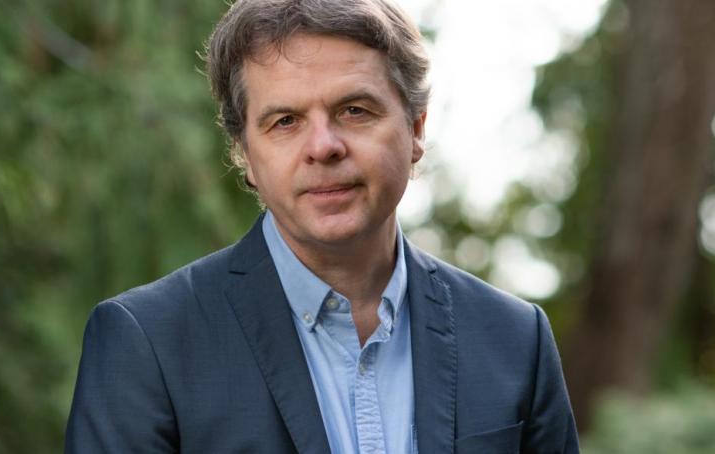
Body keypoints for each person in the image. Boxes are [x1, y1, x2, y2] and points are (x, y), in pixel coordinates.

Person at [64, 0, 579, 452]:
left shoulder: (515, 340)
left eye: (355, 110)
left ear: (416, 128)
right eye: (284, 121)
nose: (323, 146)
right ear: (244, 152)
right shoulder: (147, 344)